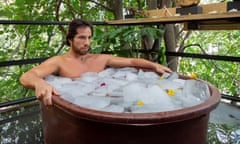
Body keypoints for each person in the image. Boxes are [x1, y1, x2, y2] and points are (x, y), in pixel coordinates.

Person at [20, 19, 172, 106]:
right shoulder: (59, 62)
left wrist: (154, 65)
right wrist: (40, 83)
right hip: (80, 106)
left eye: (89, 37)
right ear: (70, 40)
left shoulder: (100, 59)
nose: (87, 42)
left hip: (106, 103)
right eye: (81, 38)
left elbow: (131, 61)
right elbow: (28, 76)